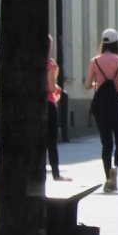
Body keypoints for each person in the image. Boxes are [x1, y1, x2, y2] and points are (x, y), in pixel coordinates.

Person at [85, 29, 118, 191]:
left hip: (100, 106)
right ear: (116, 44)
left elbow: (88, 85)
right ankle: (116, 166)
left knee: (106, 144)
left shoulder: (95, 61)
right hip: (116, 104)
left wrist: (99, 84)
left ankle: (108, 177)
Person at [44, 37, 66, 179]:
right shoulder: (50, 64)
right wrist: (58, 89)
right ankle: (56, 173)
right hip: (49, 104)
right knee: (51, 141)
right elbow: (51, 87)